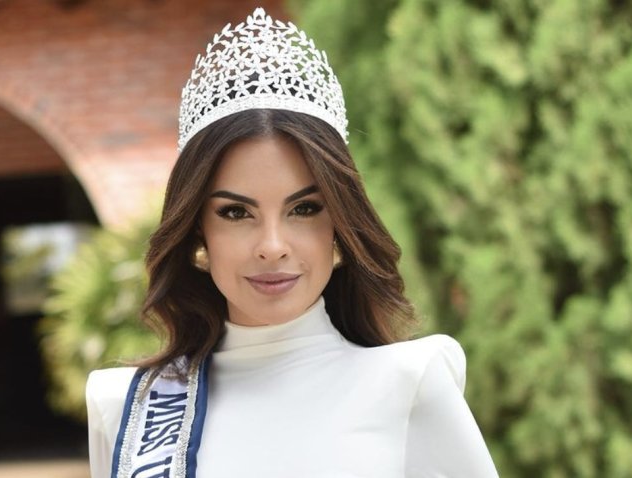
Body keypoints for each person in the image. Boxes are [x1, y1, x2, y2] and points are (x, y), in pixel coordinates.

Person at [86, 7, 499, 478]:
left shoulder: (409, 383)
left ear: (339, 223)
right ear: (198, 229)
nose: (272, 246)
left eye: (304, 209)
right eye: (236, 212)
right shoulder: (124, 407)